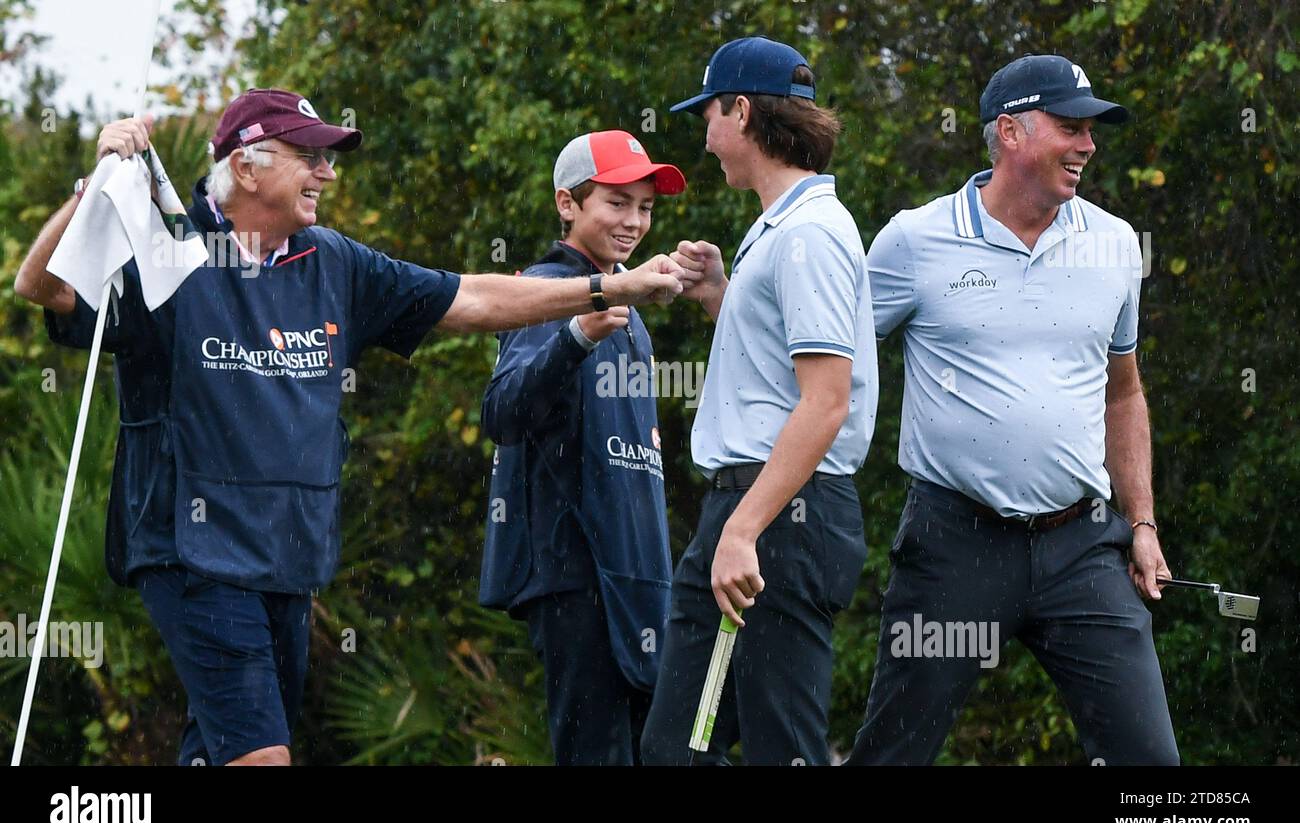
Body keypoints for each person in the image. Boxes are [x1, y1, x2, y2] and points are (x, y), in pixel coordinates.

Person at [13, 88, 681, 767]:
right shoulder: (171, 252)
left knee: (218, 751)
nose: (329, 174)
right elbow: (44, 287)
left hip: (289, 559)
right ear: (246, 167)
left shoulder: (335, 260)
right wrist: (89, 186)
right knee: (262, 758)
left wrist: (608, 289)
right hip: (192, 555)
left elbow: (475, 296)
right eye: (311, 157)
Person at [846, 55, 1179, 765]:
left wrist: (1142, 523)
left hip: (1083, 546)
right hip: (954, 544)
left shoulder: (1115, 244)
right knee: (893, 755)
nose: (1088, 145)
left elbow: (1124, 391)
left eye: (1091, 129)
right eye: (1070, 127)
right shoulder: (914, 241)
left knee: (1150, 764)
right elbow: (826, 357)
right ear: (1010, 132)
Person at [638, 37, 878, 765]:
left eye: (708, 114)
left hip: (777, 522)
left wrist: (741, 532)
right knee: (685, 747)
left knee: (777, 750)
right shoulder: (781, 228)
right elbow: (778, 377)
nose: (705, 138)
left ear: (740, 112)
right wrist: (721, 295)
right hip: (762, 515)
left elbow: (825, 403)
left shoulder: (808, 235)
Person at [479, 129, 686, 765]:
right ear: (568, 203)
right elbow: (502, 412)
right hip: (575, 571)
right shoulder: (546, 289)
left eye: (645, 207)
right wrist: (575, 334)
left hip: (636, 572)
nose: (633, 222)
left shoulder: (629, 299)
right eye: (616, 203)